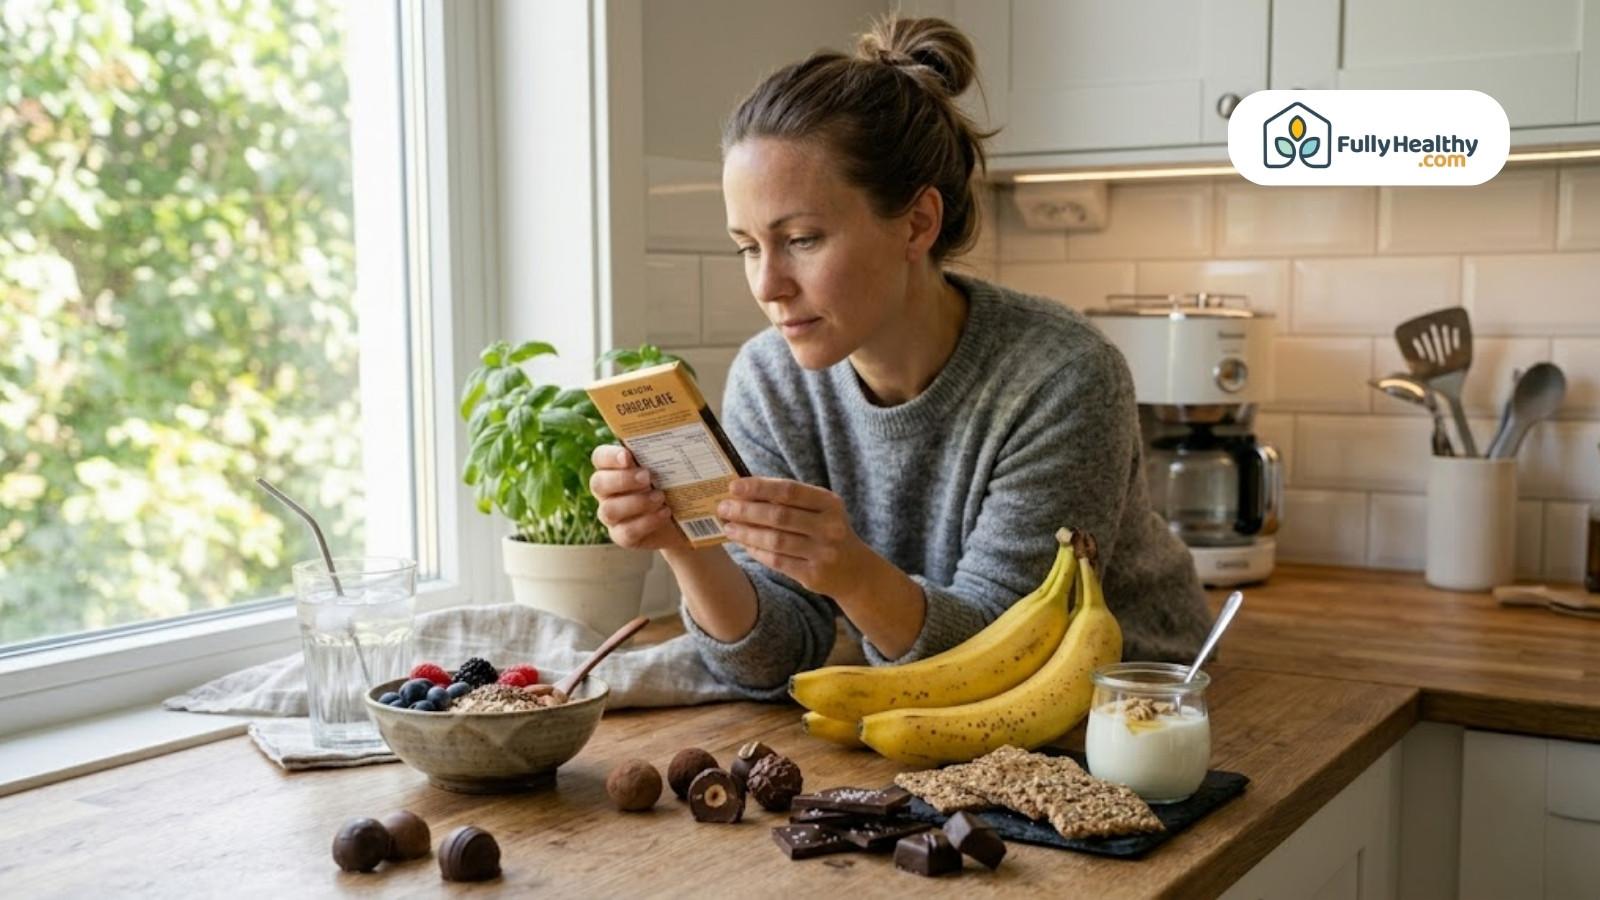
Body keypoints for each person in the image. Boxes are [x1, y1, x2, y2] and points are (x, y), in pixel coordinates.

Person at [590, 15, 1211, 699]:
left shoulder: (1062, 376)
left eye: (800, 238)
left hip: (1140, 699)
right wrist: (683, 542)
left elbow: (1008, 660)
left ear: (918, 222)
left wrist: (851, 573)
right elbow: (770, 662)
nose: (767, 285)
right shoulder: (771, 380)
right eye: (747, 246)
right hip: (920, 706)